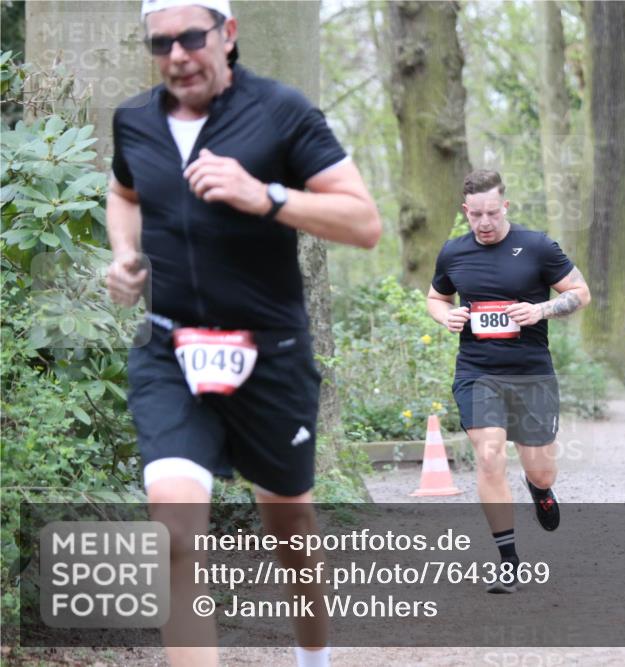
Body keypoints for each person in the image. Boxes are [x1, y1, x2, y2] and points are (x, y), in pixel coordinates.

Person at [106, 1, 381, 664]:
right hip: (171, 350)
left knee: (290, 531)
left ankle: (314, 656)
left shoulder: (281, 111)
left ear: (227, 35)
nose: (177, 55)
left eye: (192, 38)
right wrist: (125, 255)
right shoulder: (135, 120)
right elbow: (124, 192)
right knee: (174, 533)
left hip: (270, 352)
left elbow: (364, 222)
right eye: (161, 43)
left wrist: (268, 197)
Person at [426, 169, 590, 593]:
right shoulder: (453, 253)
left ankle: (540, 492)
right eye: (476, 214)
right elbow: (436, 297)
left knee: (540, 470)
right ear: (466, 211)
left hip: (531, 372)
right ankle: (509, 561)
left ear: (506, 207)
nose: (484, 222)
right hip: (478, 371)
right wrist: (447, 316)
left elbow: (580, 292)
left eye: (492, 213)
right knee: (489, 455)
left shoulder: (537, 246)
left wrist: (541, 311)